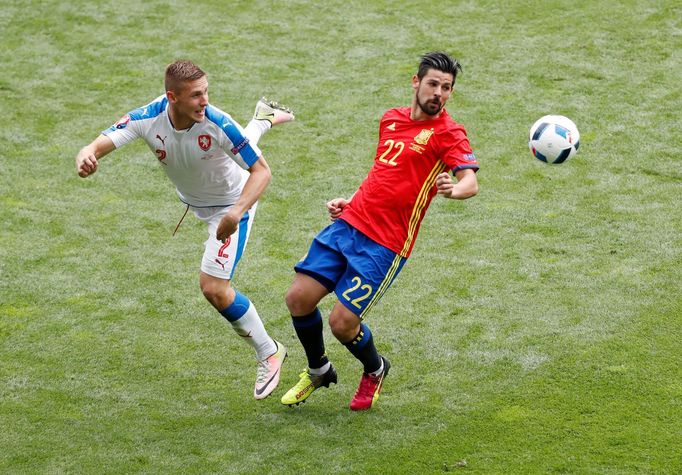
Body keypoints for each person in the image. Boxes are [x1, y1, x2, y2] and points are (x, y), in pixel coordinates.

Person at [75, 60, 294, 400]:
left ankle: (269, 351)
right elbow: (98, 144)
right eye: (196, 95)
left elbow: (261, 172)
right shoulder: (147, 118)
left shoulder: (216, 122)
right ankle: (262, 119)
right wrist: (87, 155)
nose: (204, 101)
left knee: (214, 288)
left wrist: (236, 212)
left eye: (206, 92)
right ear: (171, 97)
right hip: (199, 201)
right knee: (233, 145)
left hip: (232, 205)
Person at [280, 52, 479, 410]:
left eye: (447, 88)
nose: (439, 93)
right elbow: (382, 173)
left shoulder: (448, 133)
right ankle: (319, 369)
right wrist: (351, 200)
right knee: (298, 299)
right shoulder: (390, 119)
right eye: (433, 84)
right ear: (415, 82)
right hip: (348, 226)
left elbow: (470, 181)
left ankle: (374, 369)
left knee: (342, 323)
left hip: (384, 245)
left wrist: (455, 189)